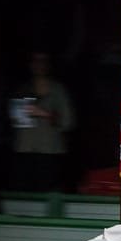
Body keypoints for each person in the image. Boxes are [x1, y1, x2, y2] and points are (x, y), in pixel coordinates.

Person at [7, 50, 76, 193]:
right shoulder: (22, 89)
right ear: (30, 65)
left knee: (48, 192)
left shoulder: (58, 90)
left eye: (43, 61)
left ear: (48, 65)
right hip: (24, 151)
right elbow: (13, 120)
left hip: (49, 152)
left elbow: (67, 122)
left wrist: (44, 114)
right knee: (25, 193)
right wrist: (16, 115)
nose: (39, 65)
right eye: (36, 61)